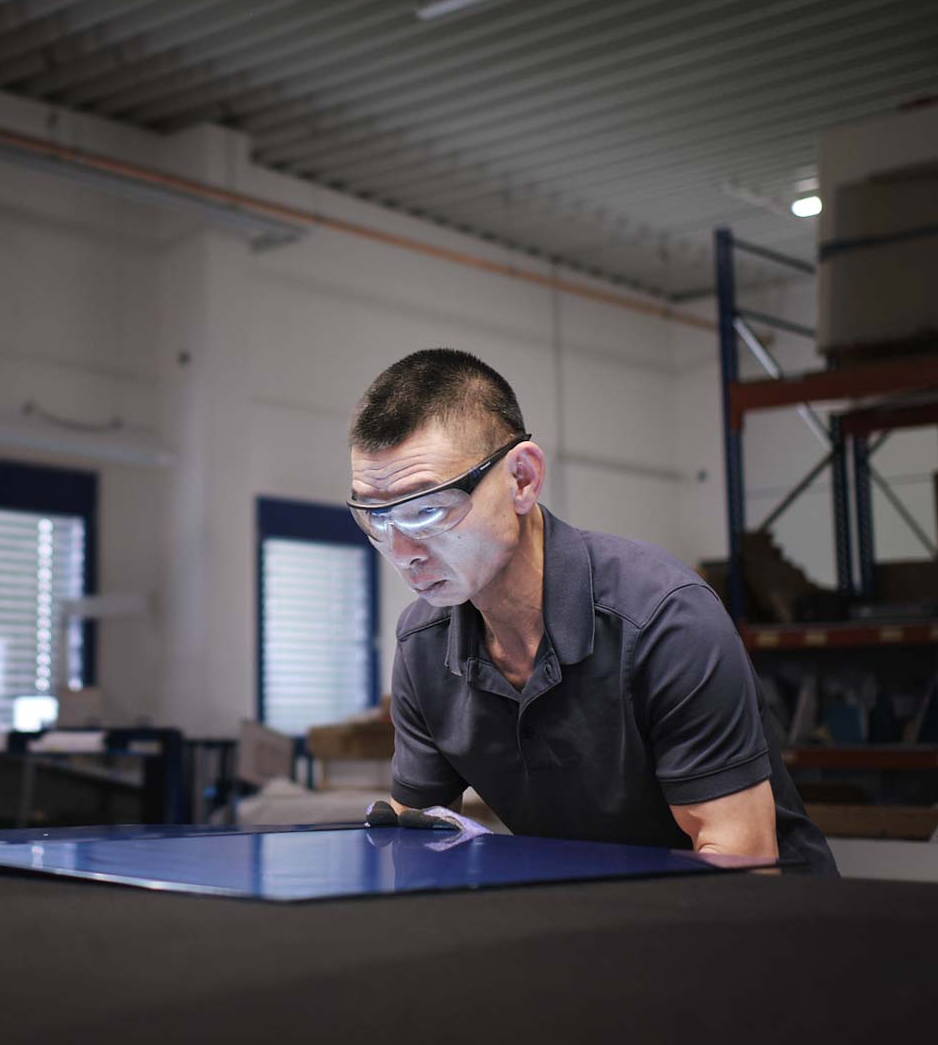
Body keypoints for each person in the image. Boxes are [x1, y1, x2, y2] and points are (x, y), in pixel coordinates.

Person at [348, 348, 834, 873]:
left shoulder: (666, 623)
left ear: (522, 480)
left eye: (427, 510)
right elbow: (415, 845)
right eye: (375, 518)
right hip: (585, 918)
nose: (402, 552)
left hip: (760, 930)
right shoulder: (423, 645)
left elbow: (744, 863)